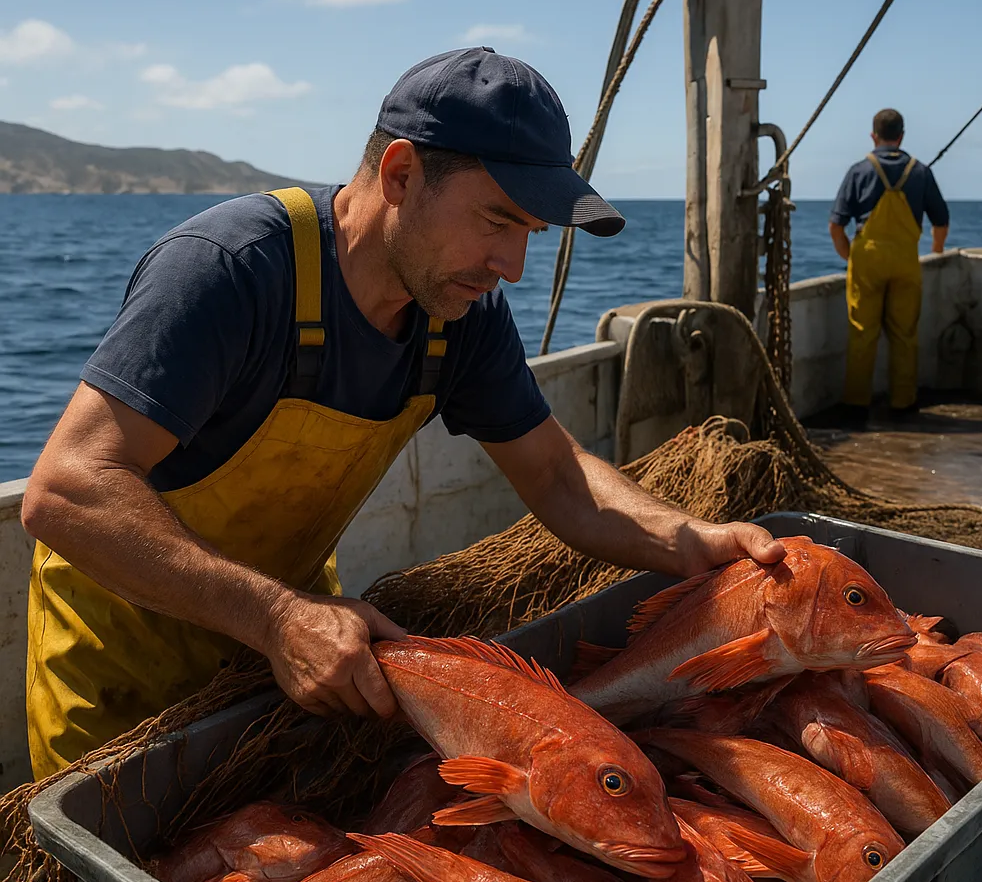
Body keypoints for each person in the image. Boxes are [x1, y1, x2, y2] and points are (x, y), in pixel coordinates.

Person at [21, 47, 785, 780]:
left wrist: (693, 546)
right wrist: (275, 618)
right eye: (496, 220)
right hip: (119, 675)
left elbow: (556, 475)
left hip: (278, 638)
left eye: (532, 234)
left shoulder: (461, 312)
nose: (511, 268)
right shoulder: (231, 271)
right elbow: (66, 491)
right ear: (401, 173)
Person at [828, 108, 950, 426]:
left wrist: (850, 257)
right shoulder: (920, 172)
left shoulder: (859, 171)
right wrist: (936, 250)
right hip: (906, 259)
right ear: (902, 135)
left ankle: (856, 406)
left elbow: (836, 225)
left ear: (873, 136)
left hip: (867, 259)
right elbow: (941, 221)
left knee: (862, 333)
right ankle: (903, 403)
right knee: (905, 333)